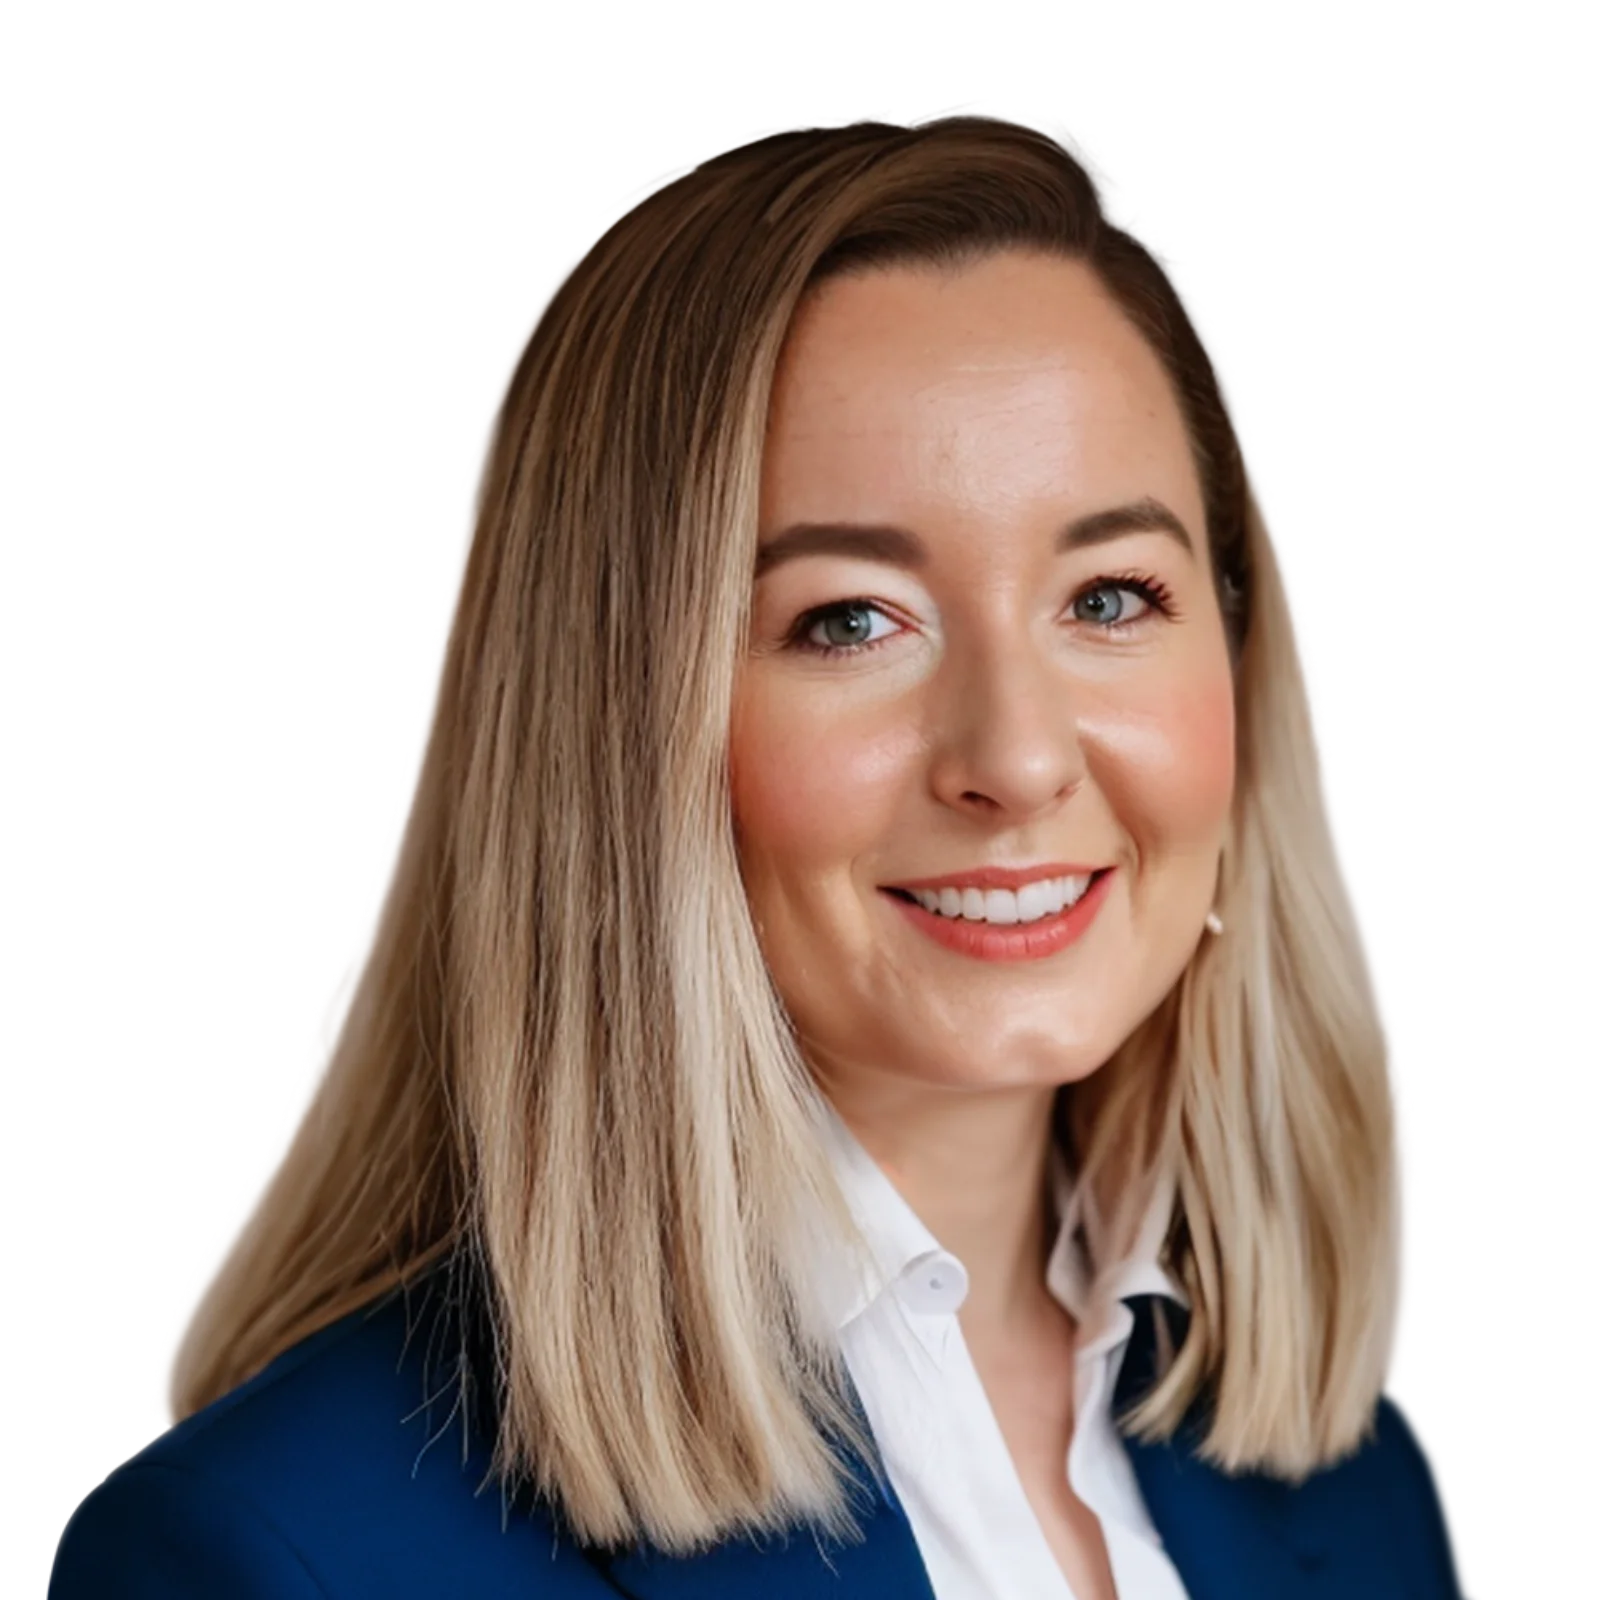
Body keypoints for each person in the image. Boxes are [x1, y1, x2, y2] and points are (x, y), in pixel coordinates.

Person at [47, 108, 1471, 1598]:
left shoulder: (1355, 1485)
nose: (1020, 758)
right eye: (849, 620)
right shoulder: (278, 1559)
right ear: (614, 736)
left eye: (1109, 597)